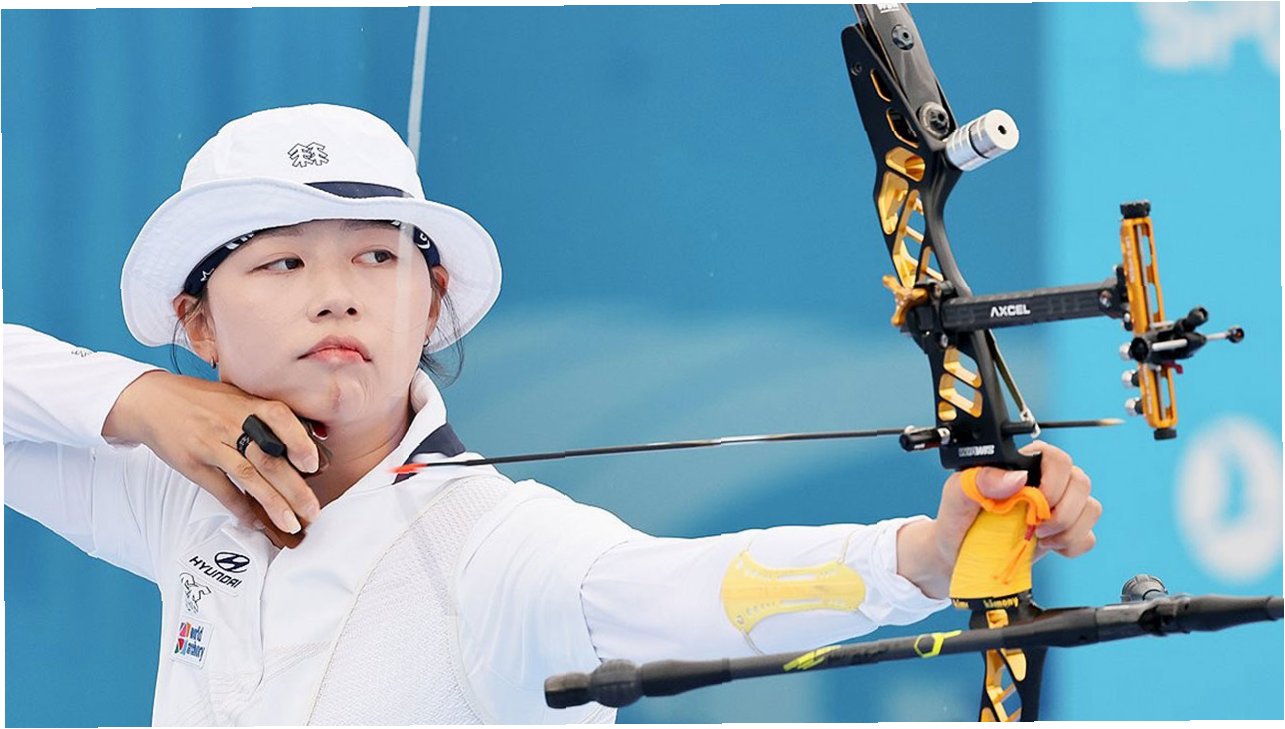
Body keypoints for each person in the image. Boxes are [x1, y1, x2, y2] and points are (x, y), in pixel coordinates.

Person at [3, 103, 1101, 725]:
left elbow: (698, 590)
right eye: (281, 261)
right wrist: (138, 401)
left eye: (377, 257)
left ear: (431, 301)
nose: (336, 293)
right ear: (196, 323)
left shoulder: (506, 549)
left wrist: (922, 556)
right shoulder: (180, 496)